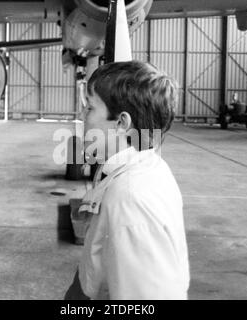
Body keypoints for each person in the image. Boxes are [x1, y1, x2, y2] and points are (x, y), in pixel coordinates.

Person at [65, 60, 190, 300]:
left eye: (89, 108)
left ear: (122, 123)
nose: (82, 116)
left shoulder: (131, 197)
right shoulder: (140, 168)